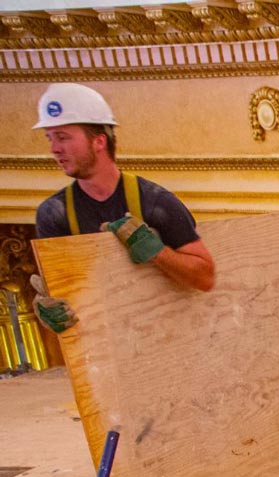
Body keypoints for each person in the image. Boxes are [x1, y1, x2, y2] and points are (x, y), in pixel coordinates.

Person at [30, 83, 215, 334]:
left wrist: (157, 252)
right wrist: (47, 310)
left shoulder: (156, 203)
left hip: (169, 335)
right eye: (50, 138)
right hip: (107, 344)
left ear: (98, 141)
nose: (54, 148)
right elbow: (60, 294)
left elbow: (205, 278)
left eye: (63, 137)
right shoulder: (54, 214)